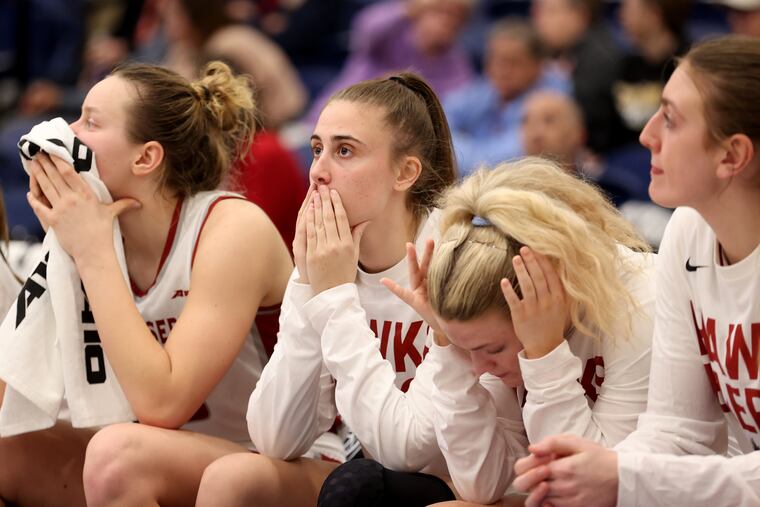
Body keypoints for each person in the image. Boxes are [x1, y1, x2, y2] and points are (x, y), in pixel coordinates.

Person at [0, 60, 293, 507]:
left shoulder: (231, 228)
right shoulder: (86, 233)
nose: (66, 133)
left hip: (279, 463)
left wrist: (93, 252)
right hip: (154, 459)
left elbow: (163, 405)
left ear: (146, 157)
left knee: (117, 455)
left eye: (91, 122)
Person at [195, 71, 474, 507]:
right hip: (364, 468)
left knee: (357, 487)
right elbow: (274, 437)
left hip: (463, 484)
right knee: (232, 479)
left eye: (344, 151)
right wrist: (311, 286)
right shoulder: (326, 260)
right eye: (317, 149)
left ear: (405, 172)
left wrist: (334, 299)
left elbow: (407, 452)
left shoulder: (454, 258)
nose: (319, 172)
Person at [512, 34, 760, 507]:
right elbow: (678, 430)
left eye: (669, 118)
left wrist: (623, 476)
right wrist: (594, 472)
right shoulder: (689, 230)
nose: (646, 134)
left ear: (732, 155)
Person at [380, 157, 654, 506]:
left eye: (491, 350)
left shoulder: (640, 303)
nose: (478, 369)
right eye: (470, 352)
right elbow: (481, 485)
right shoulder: (491, 339)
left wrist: (544, 355)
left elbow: (586, 494)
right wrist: (449, 348)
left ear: (548, 290)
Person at [444, 18, 570, 176]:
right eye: (495, 60)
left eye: (513, 62)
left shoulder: (550, 102)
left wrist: (446, 145)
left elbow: (484, 166)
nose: (501, 70)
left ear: (537, 65)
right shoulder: (488, 87)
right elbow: (438, 115)